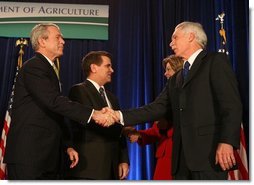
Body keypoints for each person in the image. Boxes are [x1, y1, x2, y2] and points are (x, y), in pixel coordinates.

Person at [98, 22, 242, 180]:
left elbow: (231, 105)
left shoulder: (215, 61)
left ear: (191, 37)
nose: (171, 43)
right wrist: (118, 115)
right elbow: (155, 108)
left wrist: (227, 141)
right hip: (180, 161)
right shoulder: (176, 78)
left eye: (175, 38)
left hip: (208, 155)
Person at [3, 23, 113, 180]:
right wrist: (93, 114)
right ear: (42, 41)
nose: (63, 41)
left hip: (45, 156)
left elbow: (54, 114)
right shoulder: (34, 67)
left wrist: (67, 145)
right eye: (58, 37)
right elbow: (54, 101)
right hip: (29, 156)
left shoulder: (48, 69)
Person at [65, 51, 129, 180]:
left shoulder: (112, 97)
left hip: (112, 166)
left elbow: (118, 131)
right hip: (90, 167)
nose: (112, 70)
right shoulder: (79, 91)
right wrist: (124, 127)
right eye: (108, 66)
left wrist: (123, 159)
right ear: (94, 68)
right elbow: (90, 123)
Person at [123, 55, 183, 180]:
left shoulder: (185, 93)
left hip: (178, 155)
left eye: (168, 70)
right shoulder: (168, 94)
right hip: (165, 155)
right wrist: (139, 135)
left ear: (178, 70)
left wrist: (121, 117)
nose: (165, 74)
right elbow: (158, 130)